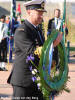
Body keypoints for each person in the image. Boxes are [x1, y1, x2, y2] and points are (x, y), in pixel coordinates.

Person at [7, 0, 62, 100]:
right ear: (29, 12)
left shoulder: (39, 31)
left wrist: (50, 62)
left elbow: (42, 52)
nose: (41, 16)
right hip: (23, 83)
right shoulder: (21, 31)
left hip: (37, 82)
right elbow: (33, 51)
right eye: (39, 13)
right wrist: (52, 45)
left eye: (42, 13)